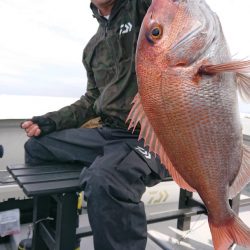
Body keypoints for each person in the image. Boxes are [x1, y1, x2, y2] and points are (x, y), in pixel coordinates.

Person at [20, 0, 169, 249]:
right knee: (37, 147)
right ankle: (54, 232)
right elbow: (91, 100)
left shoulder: (147, 11)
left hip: (157, 139)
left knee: (105, 179)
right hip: (110, 133)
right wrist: (51, 121)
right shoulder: (93, 47)